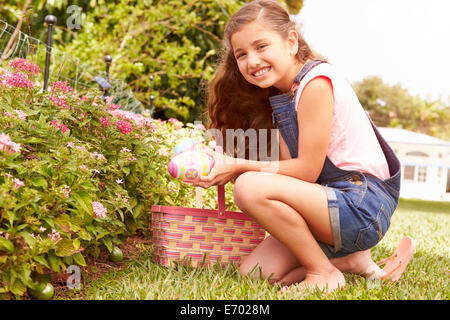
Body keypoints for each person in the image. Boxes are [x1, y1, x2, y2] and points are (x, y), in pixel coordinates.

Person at [193, 0, 415, 293]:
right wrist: (228, 164)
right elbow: (288, 175)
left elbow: (307, 171)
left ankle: (322, 272)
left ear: (291, 41)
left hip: (361, 205)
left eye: (261, 46)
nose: (251, 61)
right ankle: (349, 261)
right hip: (330, 205)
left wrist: (241, 168)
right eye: (241, 54)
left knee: (248, 187)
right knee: (255, 273)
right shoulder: (283, 97)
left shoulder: (316, 84)